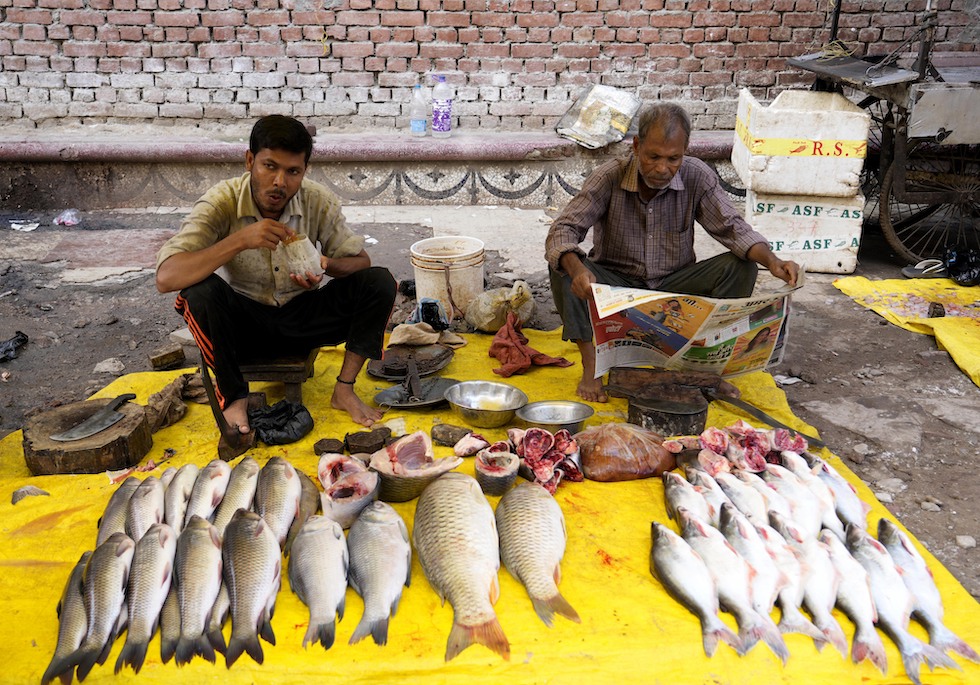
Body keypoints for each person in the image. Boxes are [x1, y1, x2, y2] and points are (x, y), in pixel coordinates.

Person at [156, 115, 397, 444]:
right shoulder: (221, 201)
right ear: (250, 161)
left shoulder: (317, 200)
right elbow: (167, 277)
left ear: (304, 171)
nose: (279, 182)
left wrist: (326, 265)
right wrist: (240, 240)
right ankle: (235, 399)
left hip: (303, 318)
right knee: (199, 292)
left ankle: (344, 389)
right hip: (243, 327)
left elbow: (361, 262)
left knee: (379, 282)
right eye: (269, 166)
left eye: (292, 171)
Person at [545, 102, 799, 402]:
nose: (662, 168)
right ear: (637, 146)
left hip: (675, 290)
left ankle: (708, 371)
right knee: (563, 264)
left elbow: (733, 229)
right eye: (653, 156)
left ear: (684, 152)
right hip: (616, 290)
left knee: (741, 266)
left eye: (673, 158)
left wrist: (773, 261)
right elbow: (563, 230)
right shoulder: (610, 176)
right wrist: (578, 270)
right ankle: (593, 366)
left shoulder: (697, 176)